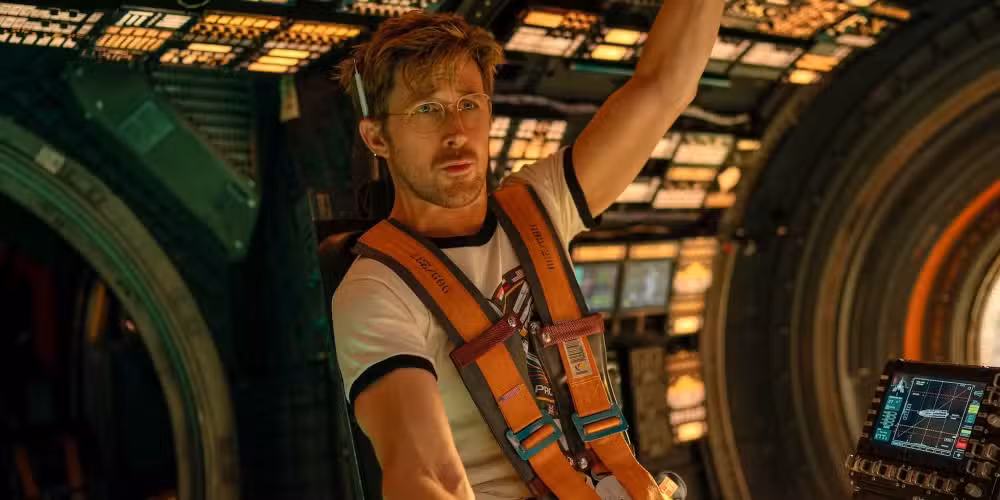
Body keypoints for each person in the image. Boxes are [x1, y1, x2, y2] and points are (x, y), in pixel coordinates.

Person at [333, 3, 723, 499]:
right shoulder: (375, 292)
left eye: (469, 104)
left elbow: (665, 86)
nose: (456, 132)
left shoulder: (538, 207)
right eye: (426, 109)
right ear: (377, 137)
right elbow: (424, 476)